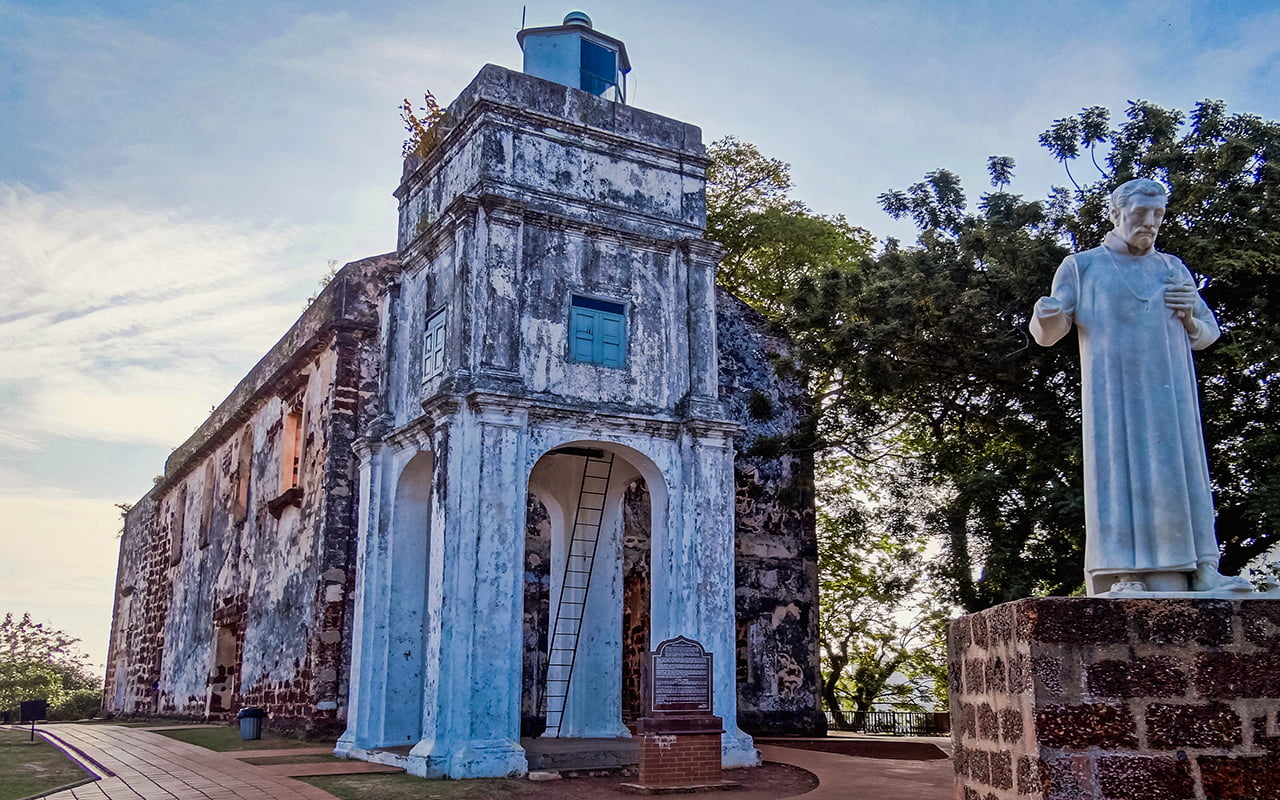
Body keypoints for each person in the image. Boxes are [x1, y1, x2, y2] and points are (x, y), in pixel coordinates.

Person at [1030, 178, 1250, 595]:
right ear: (1116, 214)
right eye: (1139, 213)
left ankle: (1201, 569)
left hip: (1170, 390)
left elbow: (1207, 333)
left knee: (1180, 472)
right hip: (1114, 395)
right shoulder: (1082, 266)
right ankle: (1121, 573)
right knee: (1118, 473)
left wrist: (1189, 317)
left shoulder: (1171, 267)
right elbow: (1049, 332)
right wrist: (1047, 313)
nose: (1149, 222)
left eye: (1158, 214)